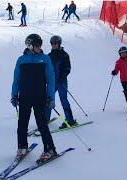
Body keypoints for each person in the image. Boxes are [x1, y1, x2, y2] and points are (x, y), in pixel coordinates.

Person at [11, 34, 57, 162]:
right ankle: (22, 147)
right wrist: (14, 95)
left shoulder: (45, 59)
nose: (40, 47)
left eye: (40, 44)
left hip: (39, 97)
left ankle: (50, 149)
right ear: (30, 45)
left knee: (41, 124)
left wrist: (51, 97)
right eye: (37, 45)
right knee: (22, 124)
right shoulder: (21, 60)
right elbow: (16, 80)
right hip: (24, 97)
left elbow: (51, 80)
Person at [46, 36, 78, 129]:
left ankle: (70, 120)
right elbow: (47, 69)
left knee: (63, 99)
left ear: (59, 44)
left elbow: (68, 68)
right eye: (52, 44)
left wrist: (61, 77)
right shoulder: (49, 56)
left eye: (55, 43)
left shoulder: (64, 55)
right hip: (52, 82)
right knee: (48, 99)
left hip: (61, 82)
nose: (53, 45)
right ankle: (45, 119)